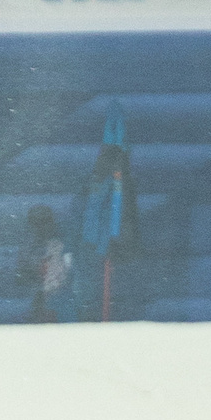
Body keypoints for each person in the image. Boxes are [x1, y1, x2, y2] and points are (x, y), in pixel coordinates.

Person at [72, 109, 140, 322]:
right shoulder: (96, 184)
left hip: (113, 246)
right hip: (98, 248)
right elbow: (90, 211)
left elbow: (123, 213)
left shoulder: (124, 184)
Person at [19, 203, 71, 323]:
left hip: (60, 300)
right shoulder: (28, 247)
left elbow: (67, 276)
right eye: (36, 223)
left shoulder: (61, 245)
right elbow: (22, 275)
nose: (40, 227)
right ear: (31, 225)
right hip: (38, 298)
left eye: (44, 222)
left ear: (52, 222)